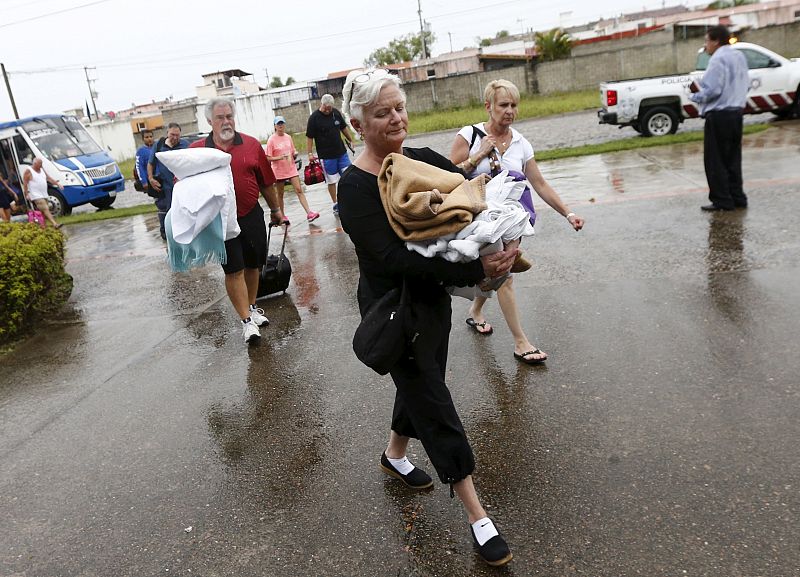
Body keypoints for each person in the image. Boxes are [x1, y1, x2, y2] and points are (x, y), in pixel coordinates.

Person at [337, 68, 518, 567]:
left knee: (422, 382)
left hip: (432, 298)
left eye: (399, 107)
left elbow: (465, 189)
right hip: (393, 308)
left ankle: (395, 455)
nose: (396, 118)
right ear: (358, 123)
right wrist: (472, 266)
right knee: (433, 400)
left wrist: (502, 228)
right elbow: (393, 260)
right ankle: (478, 516)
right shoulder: (354, 188)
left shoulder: (417, 159)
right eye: (382, 113)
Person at [450, 79, 585, 365]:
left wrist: (568, 213)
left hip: (512, 220)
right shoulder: (470, 135)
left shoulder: (521, 144)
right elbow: (449, 175)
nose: (510, 110)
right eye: (504, 105)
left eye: (514, 105)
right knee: (505, 275)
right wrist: (478, 156)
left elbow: (540, 183)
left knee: (497, 272)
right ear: (488, 106)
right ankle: (521, 342)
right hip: (481, 220)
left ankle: (475, 312)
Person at [189, 97, 284, 345]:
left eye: (229, 115)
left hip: (251, 214)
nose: (226, 121)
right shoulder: (199, 150)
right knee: (234, 270)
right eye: (220, 117)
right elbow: (186, 187)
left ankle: (252, 307)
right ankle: (246, 322)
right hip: (220, 221)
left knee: (254, 265)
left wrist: (276, 209)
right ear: (209, 121)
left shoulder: (251, 144)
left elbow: (266, 181)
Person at [688, 25, 750, 212]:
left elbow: (713, 90)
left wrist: (695, 95)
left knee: (716, 161)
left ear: (715, 41)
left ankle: (722, 200)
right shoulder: (739, 56)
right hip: (736, 112)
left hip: (719, 115)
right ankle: (737, 196)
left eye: (707, 40)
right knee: (733, 158)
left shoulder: (717, 59)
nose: (705, 45)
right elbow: (745, 83)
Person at [306, 94, 356, 215]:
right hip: (326, 156)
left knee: (348, 175)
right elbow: (309, 137)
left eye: (330, 108)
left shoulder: (335, 113)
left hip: (341, 153)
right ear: (321, 104)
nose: (328, 110)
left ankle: (349, 200)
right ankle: (336, 203)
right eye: (326, 108)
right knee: (332, 181)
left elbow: (343, 128)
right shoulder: (314, 118)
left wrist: (351, 140)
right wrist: (309, 153)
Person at [265, 116, 319, 223]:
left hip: (291, 168)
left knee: (299, 190)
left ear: (284, 125)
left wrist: (295, 153)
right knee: (280, 194)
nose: (280, 126)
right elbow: (267, 158)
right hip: (279, 171)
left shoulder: (288, 137)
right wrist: (280, 157)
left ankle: (309, 213)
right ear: (275, 126)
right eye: (278, 124)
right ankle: (283, 216)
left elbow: (293, 150)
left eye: (282, 123)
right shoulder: (271, 140)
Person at [148, 123, 189, 239]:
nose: (175, 137)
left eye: (177, 135)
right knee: (165, 210)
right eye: (172, 135)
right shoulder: (159, 145)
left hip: (181, 185)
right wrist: (151, 179)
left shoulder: (185, 145)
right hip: (164, 186)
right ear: (167, 133)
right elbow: (150, 163)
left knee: (182, 210)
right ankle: (165, 233)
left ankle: (181, 233)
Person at [22, 158, 63, 228]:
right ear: (35, 164)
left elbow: (48, 178)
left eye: (41, 164)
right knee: (45, 208)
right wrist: (26, 194)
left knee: (43, 212)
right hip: (35, 195)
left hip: (44, 194)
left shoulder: (42, 169)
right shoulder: (28, 171)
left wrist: (58, 184)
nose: (41, 165)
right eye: (40, 164)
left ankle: (42, 226)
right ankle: (55, 224)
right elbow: (25, 184)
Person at [134, 129, 155, 195]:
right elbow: (139, 167)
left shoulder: (157, 147)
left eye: (151, 137)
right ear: (143, 139)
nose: (149, 139)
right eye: (147, 137)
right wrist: (144, 181)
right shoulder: (141, 151)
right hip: (150, 179)